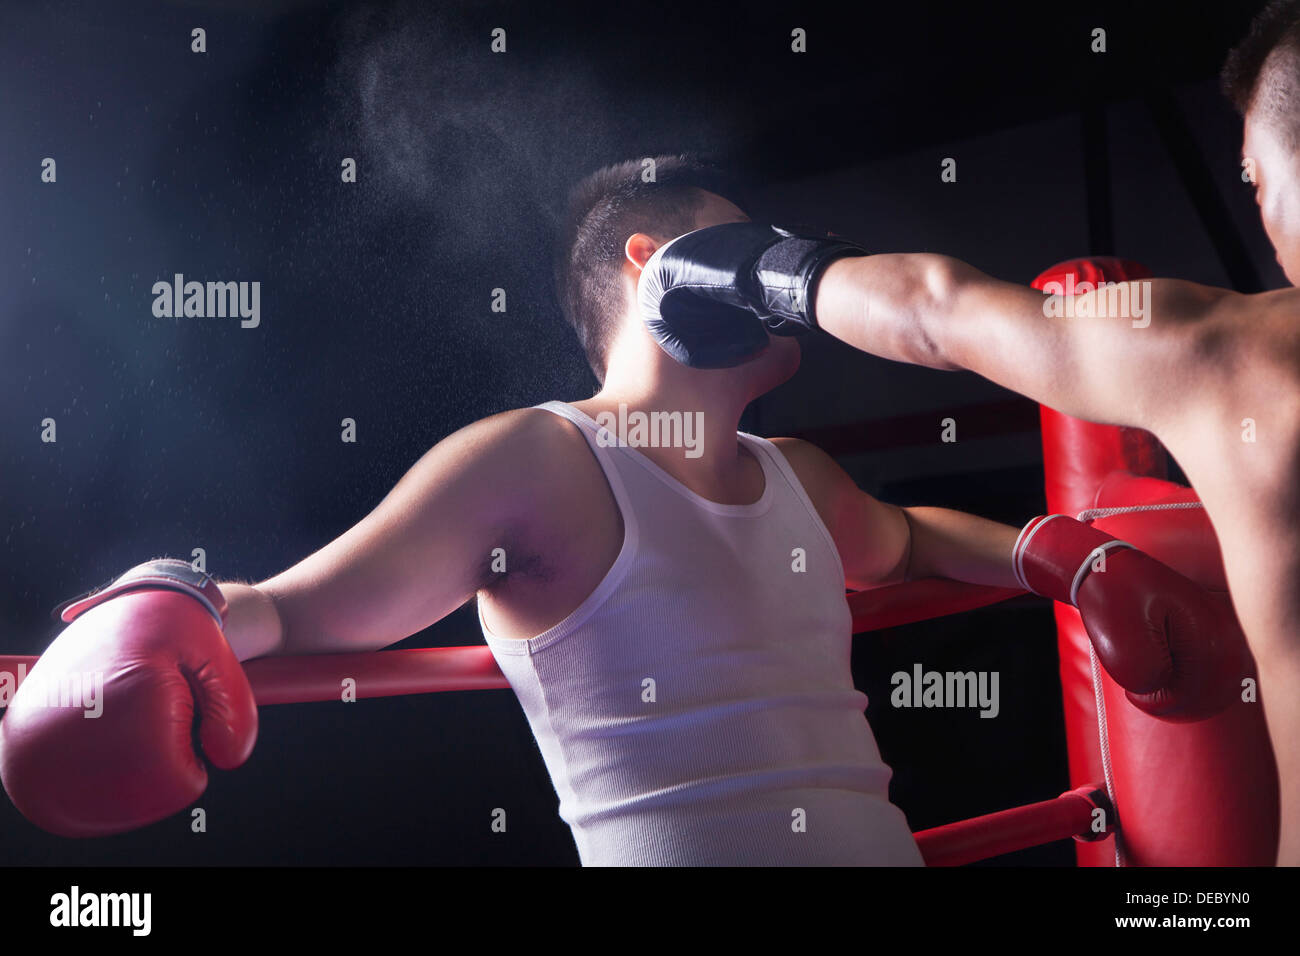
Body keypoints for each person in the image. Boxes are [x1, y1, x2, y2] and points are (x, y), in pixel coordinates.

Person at [0, 156, 1234, 866]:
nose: (787, 275)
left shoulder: (798, 474)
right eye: (746, 249)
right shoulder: (540, 459)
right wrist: (171, 598)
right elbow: (308, 606)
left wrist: (1058, 556)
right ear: (657, 266)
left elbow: (907, 539)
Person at [635, 3, 1300, 866]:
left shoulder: (1226, 356)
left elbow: (936, 313)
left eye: (1252, 176)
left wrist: (748, 267)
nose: (1253, 204)